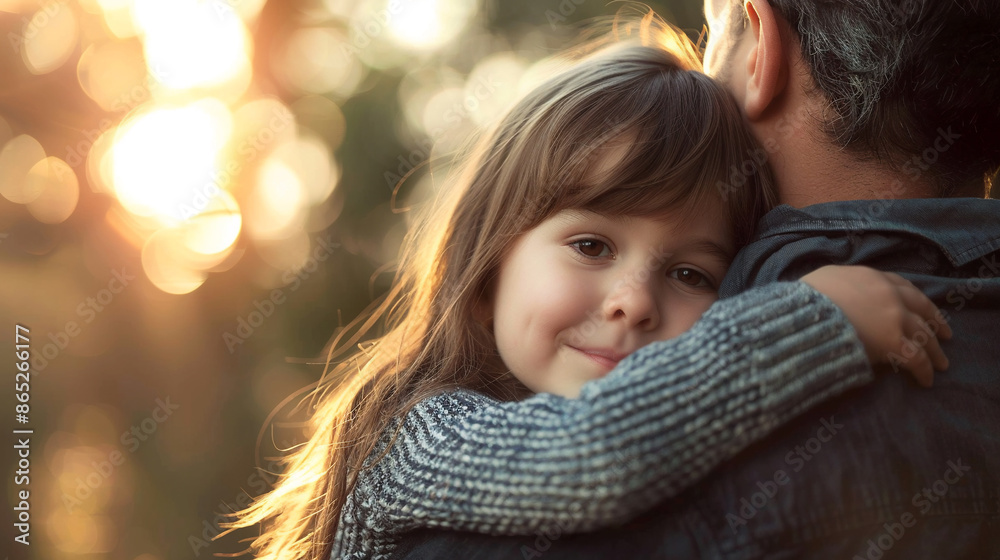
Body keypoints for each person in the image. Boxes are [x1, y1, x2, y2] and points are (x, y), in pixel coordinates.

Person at [219, 18, 954, 560]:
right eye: (591, 245)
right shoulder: (418, 435)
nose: (633, 299)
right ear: (486, 274)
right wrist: (811, 319)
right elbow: (589, 457)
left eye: (690, 273)